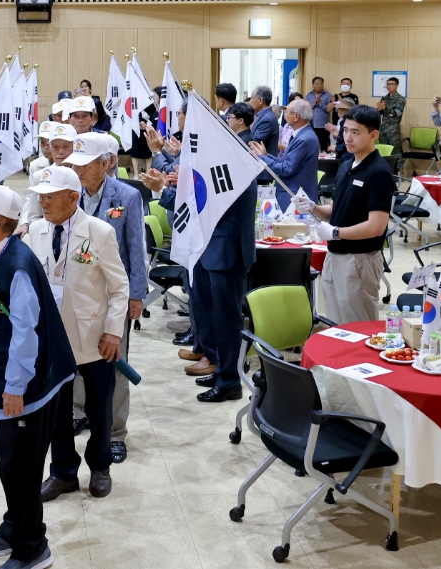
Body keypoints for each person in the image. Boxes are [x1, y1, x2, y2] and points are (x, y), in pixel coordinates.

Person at [0, 184, 74, 569]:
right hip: (15, 379)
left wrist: (14, 387)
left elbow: (26, 331)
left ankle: (32, 548)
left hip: (28, 387)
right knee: (13, 465)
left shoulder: (17, 265)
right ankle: (14, 527)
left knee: (20, 469)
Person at [26, 165, 128, 502]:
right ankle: (63, 473)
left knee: (99, 408)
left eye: (50, 197)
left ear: (73, 197)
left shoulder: (99, 231)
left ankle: (100, 467)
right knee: (57, 410)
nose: (43, 203)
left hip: (94, 338)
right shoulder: (36, 231)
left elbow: (119, 287)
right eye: (41, 197)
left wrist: (113, 332)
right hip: (53, 339)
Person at [161, 103, 258, 402]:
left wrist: (172, 189)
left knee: (227, 320)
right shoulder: (222, 156)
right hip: (212, 246)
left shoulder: (234, 157)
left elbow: (207, 200)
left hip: (227, 248)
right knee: (215, 315)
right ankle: (220, 369)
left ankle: (230, 381)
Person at [64, 133, 146, 462]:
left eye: (86, 164)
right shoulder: (69, 194)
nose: (79, 170)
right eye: (75, 164)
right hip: (78, 294)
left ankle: (115, 431)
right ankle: (81, 412)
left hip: (114, 295)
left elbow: (136, 248)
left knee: (114, 361)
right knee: (78, 357)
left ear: (106, 163)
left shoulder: (127, 196)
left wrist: (136, 294)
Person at [292, 105, 393, 324]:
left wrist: (336, 232)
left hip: (360, 259)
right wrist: (313, 207)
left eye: (355, 132)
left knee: (358, 326)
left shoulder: (378, 172)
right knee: (337, 325)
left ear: (373, 135)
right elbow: (335, 210)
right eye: (345, 130)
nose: (347, 137)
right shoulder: (346, 165)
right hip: (334, 255)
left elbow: (376, 226)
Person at [249, 98, 320, 209]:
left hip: (294, 195)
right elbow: (285, 161)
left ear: (296, 116)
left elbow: (286, 168)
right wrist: (266, 155)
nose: (284, 115)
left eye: (287, 112)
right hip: (292, 192)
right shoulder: (302, 135)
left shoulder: (304, 139)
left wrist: (262, 157)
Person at [376, 77, 406, 154]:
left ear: (397, 85)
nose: (389, 86)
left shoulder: (400, 99)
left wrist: (385, 108)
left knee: (395, 151)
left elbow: (397, 113)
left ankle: (398, 163)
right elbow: (381, 113)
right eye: (388, 84)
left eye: (392, 84)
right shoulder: (384, 98)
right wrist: (378, 109)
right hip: (383, 128)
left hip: (393, 129)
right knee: (384, 151)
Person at [305, 77, 333, 149]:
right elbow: (305, 108)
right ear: (313, 85)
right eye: (316, 84)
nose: (318, 86)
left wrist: (320, 103)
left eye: (320, 84)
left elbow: (329, 109)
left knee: (324, 145)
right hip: (310, 125)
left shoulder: (328, 95)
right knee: (311, 145)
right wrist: (314, 104)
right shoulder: (309, 95)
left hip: (323, 125)